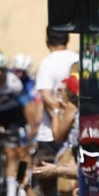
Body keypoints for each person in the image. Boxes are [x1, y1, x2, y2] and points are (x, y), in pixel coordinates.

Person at [0, 52, 32, 196]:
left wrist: (31, 126)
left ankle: (19, 187)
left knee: (20, 152)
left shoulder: (13, 82)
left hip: (14, 117)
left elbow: (26, 106)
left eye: (1, 70)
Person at [32, 29, 78, 161]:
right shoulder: (77, 59)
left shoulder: (47, 62)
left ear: (47, 40)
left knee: (46, 169)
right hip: (74, 129)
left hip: (50, 133)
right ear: (68, 39)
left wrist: (59, 124)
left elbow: (46, 97)